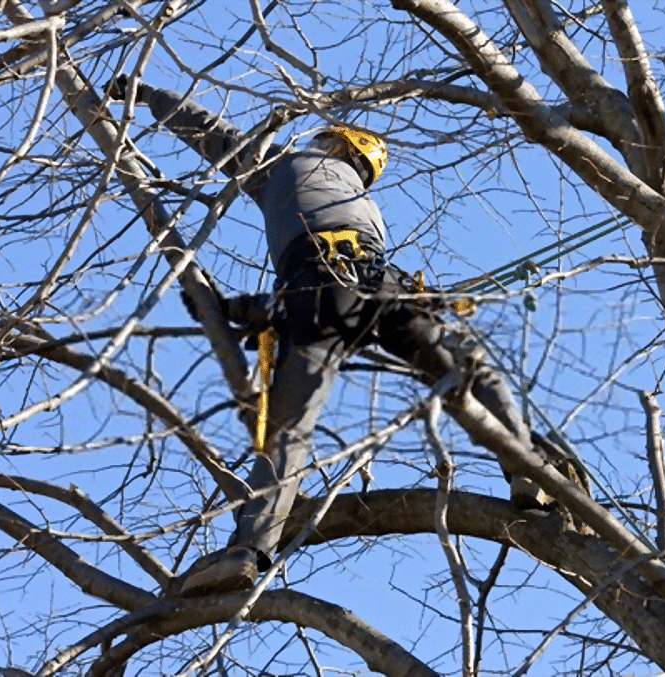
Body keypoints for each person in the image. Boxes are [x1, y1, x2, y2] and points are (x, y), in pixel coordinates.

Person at [105, 76, 573, 595]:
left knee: (288, 435)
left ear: (338, 146)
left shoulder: (285, 163)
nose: (316, 143)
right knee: (471, 370)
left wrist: (148, 95)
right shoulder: (368, 210)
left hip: (313, 297)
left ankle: (245, 551)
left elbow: (206, 130)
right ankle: (525, 470)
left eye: (325, 139)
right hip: (383, 289)